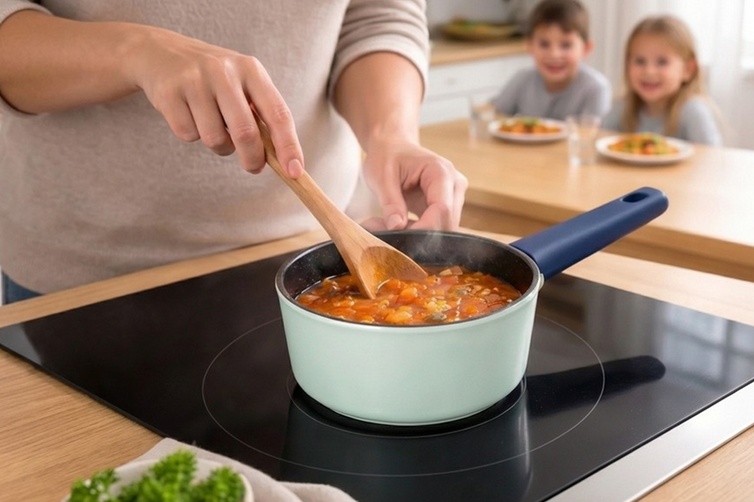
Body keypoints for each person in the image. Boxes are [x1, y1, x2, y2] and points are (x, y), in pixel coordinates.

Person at [0, 0, 468, 305]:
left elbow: (375, 12)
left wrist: (390, 133)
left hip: (305, 254)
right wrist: (136, 49)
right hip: (80, 283)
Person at [602, 15, 723, 145]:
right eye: (640, 61)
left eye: (662, 62)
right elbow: (600, 143)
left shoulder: (692, 111)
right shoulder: (623, 107)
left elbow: (712, 157)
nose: (649, 71)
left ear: (687, 70)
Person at [490, 0, 611, 121]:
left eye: (566, 45)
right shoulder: (522, 78)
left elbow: (591, 135)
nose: (554, 54)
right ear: (530, 46)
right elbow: (493, 115)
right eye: (544, 44)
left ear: (586, 49)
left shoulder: (596, 88)